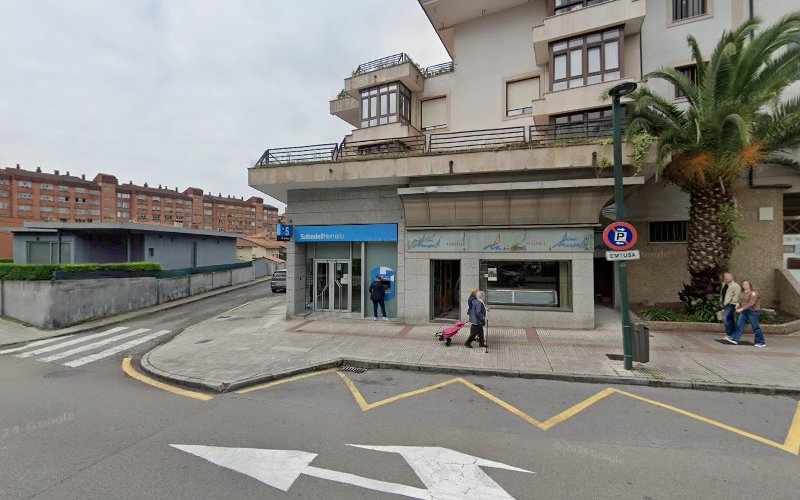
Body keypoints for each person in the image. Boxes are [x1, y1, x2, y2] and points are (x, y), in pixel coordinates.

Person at [728, 280, 766, 347]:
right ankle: (735, 339)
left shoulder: (754, 293)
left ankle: (761, 342)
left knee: (755, 327)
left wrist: (741, 309)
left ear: (750, 285)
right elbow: (741, 300)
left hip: (753, 312)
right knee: (739, 325)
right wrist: (738, 304)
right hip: (744, 312)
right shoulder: (743, 293)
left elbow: (751, 303)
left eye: (746, 284)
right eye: (743, 284)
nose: (745, 285)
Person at [719, 272, 741, 343]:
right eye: (725, 277)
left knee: (726, 318)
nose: (726, 278)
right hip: (725, 304)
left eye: (728, 277)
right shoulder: (724, 285)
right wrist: (721, 302)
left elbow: (737, 295)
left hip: (731, 304)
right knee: (729, 319)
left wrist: (731, 302)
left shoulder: (736, 285)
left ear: (732, 277)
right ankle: (730, 335)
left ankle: (731, 335)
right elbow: (722, 294)